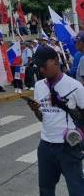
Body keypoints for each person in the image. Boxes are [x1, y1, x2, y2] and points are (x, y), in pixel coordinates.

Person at [26, 46, 84, 196]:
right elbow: (43, 118)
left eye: (43, 66)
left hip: (69, 147)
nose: (41, 70)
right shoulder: (39, 86)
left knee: (77, 189)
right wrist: (36, 111)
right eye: (38, 66)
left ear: (55, 62)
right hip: (45, 146)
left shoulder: (75, 86)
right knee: (45, 190)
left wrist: (79, 135)